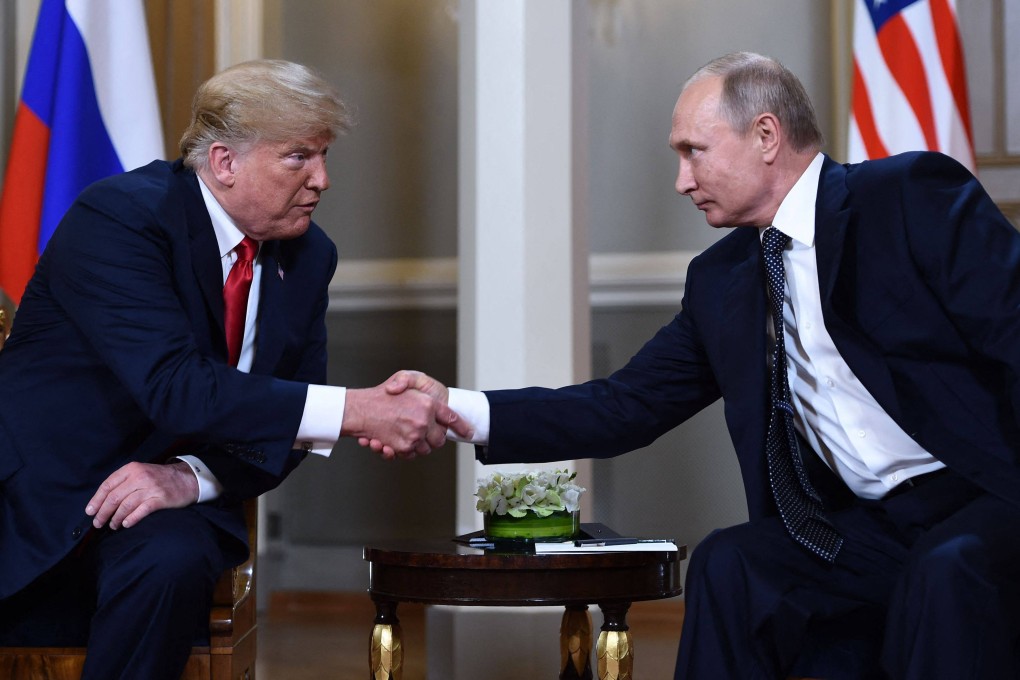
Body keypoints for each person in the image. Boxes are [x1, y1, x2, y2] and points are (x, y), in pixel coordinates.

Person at [381, 52, 1020, 679]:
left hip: (985, 497)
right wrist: (455, 407)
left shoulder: (907, 197)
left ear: (766, 135)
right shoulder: (722, 279)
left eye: (695, 151)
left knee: (948, 567)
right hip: (865, 527)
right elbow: (624, 405)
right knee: (729, 563)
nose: (682, 180)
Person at [0, 59, 466, 680]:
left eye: (325, 156)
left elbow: (293, 422)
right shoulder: (120, 219)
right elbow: (177, 386)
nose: (322, 179)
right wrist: (357, 409)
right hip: (44, 499)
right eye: (299, 158)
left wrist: (191, 479)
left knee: (171, 560)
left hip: (167, 511)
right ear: (224, 162)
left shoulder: (308, 256)